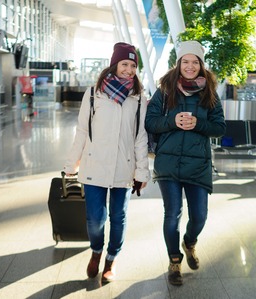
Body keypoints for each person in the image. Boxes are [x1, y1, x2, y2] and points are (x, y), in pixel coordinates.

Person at [63, 42, 150, 284]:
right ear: (114, 65)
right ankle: (96, 251)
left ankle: (110, 260)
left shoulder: (139, 99)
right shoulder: (93, 94)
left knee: (118, 217)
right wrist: (71, 164)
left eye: (133, 65)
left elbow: (141, 137)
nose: (129, 69)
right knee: (95, 218)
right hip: (94, 165)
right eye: (125, 64)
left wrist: (142, 172)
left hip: (124, 167)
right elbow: (82, 130)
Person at [145, 40, 226, 286]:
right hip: (168, 164)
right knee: (172, 215)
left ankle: (189, 243)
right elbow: (150, 122)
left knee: (199, 216)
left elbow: (220, 128)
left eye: (195, 62)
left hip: (198, 164)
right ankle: (174, 260)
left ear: (201, 65)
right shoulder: (165, 90)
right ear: (178, 64)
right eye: (185, 62)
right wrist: (172, 121)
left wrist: (198, 125)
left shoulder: (210, 93)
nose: (190, 66)